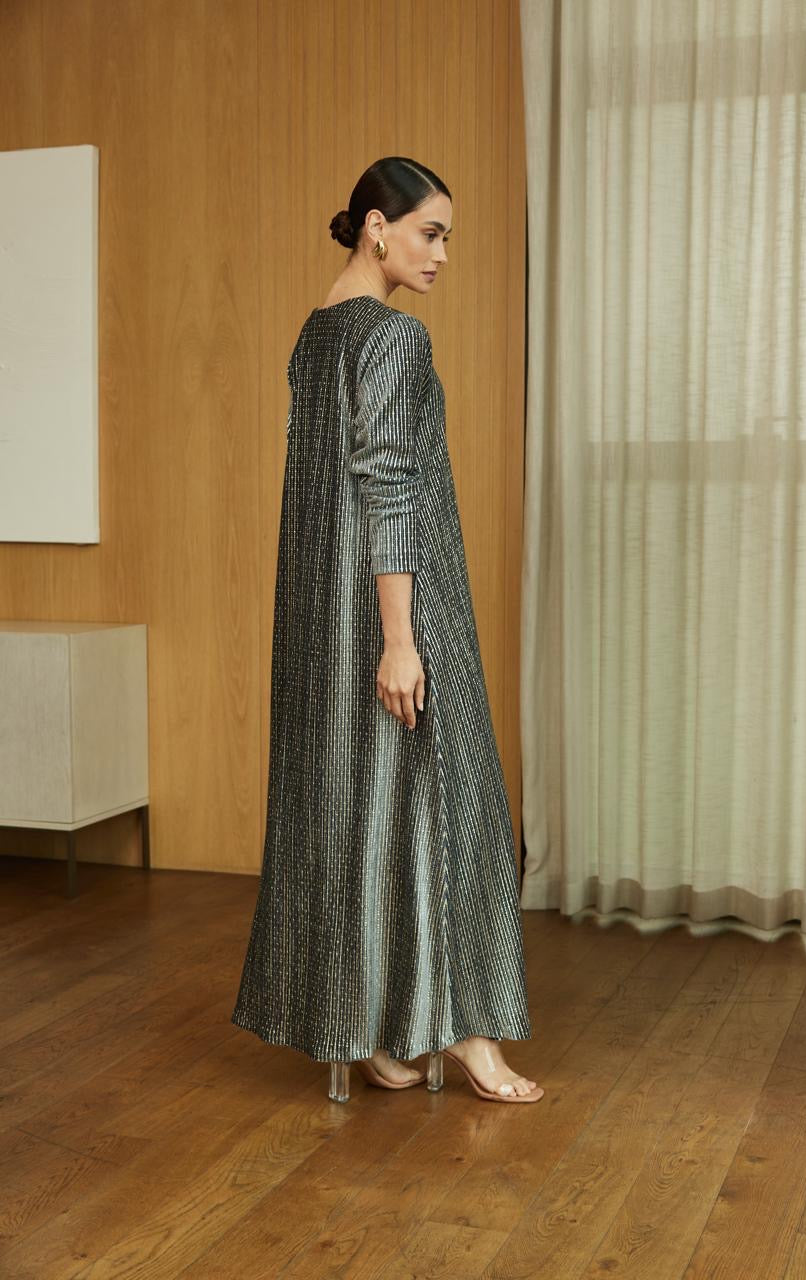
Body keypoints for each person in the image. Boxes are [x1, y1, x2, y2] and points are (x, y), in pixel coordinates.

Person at [231, 156, 543, 1104]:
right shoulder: (394, 338)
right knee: (452, 807)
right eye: (428, 232)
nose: (441, 253)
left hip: (319, 617)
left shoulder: (315, 331)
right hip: (396, 607)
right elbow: (389, 487)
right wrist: (402, 640)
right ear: (377, 226)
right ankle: (470, 1037)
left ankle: (364, 1027)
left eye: (446, 236)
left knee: (348, 813)